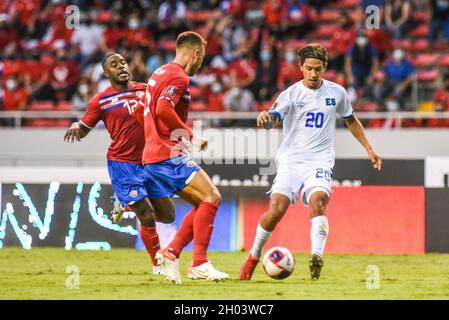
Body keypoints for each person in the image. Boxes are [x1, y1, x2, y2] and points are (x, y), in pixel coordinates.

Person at [239, 44, 382, 281]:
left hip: (320, 160)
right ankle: (253, 257)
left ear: (324, 68)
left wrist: (369, 148)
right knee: (276, 211)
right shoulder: (291, 94)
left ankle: (316, 257)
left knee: (319, 201)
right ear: (301, 68)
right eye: (308, 69)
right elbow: (271, 120)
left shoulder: (337, 93)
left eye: (318, 69)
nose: (313, 74)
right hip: (291, 161)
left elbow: (351, 120)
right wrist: (264, 118)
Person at [63, 52, 175, 275]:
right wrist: (77, 125)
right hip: (123, 163)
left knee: (167, 216)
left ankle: (122, 202)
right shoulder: (100, 100)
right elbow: (84, 130)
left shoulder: (145, 89)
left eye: (123, 62)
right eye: (114, 65)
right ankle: (158, 264)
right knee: (145, 214)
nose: (121, 67)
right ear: (106, 73)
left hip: (150, 161)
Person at [133, 31, 229, 284]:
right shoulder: (179, 77)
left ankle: (171, 253)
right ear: (195, 53)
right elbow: (162, 108)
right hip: (167, 154)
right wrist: (190, 136)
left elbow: (147, 108)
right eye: (203, 56)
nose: (202, 62)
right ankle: (199, 264)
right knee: (212, 196)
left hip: (153, 155)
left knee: (203, 204)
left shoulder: (160, 72)